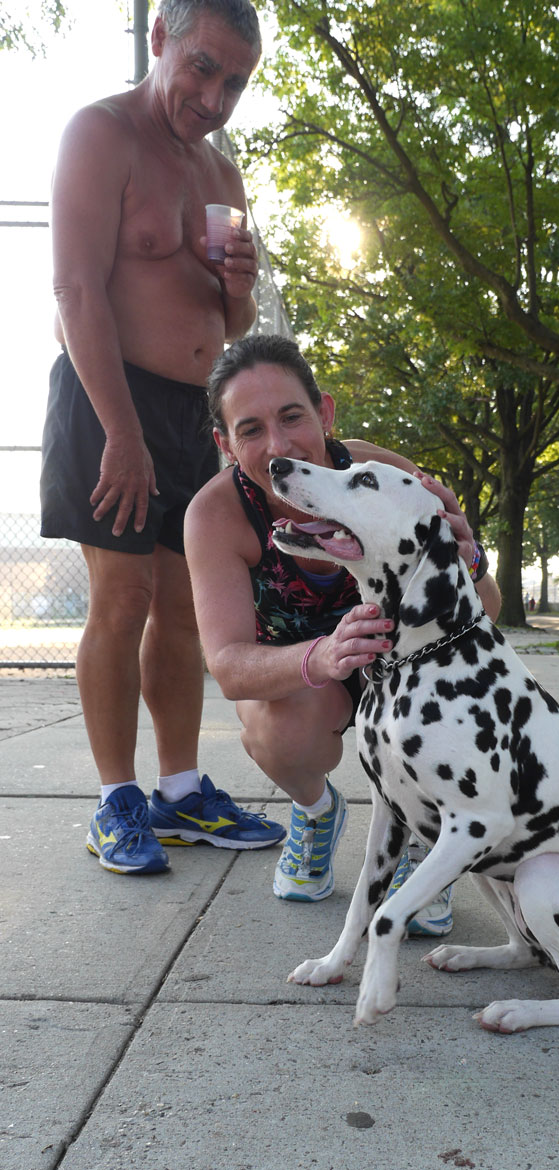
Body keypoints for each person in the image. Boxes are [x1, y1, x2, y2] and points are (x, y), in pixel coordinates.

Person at [39, 0, 283, 876]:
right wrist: (121, 432)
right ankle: (117, 802)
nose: (216, 96)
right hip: (110, 401)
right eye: (204, 68)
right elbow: (74, 290)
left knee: (185, 609)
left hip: (191, 413)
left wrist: (241, 288)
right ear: (160, 41)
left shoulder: (224, 176)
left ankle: (179, 795)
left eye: (236, 82)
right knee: (124, 599)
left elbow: (229, 320)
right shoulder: (99, 134)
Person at [184, 334, 502, 933]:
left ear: (324, 411)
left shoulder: (384, 477)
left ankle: (426, 842)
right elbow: (227, 665)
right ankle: (315, 811)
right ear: (225, 445)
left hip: (407, 668)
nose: (279, 446)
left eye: (292, 416)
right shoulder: (215, 515)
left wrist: (471, 563)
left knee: (456, 706)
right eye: (250, 430)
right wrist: (326, 655)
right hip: (311, 677)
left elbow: (487, 610)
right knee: (276, 730)